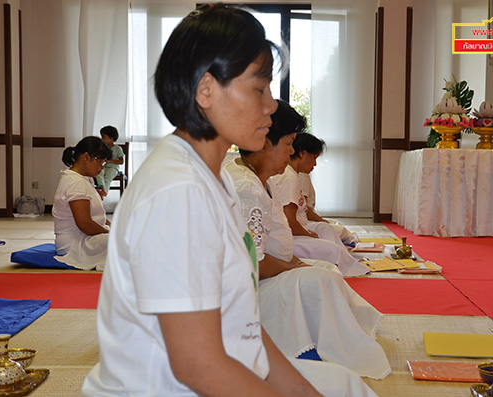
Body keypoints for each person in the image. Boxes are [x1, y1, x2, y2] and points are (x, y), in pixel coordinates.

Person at [82, 5, 376, 396]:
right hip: (164, 387)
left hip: (223, 367)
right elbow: (198, 367)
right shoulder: (177, 191)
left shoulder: (214, 175)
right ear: (206, 90)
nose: (271, 104)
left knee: (345, 384)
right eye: (259, 89)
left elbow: (245, 326)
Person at [226, 99, 391, 379]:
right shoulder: (246, 187)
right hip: (249, 293)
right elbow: (250, 264)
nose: (291, 152)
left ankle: (330, 339)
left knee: (326, 269)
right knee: (319, 277)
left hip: (267, 274)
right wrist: (294, 268)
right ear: (265, 143)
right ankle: (314, 346)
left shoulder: (261, 179)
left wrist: (296, 262)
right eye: (288, 144)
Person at [270, 132, 367, 277]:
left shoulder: (293, 175)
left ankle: (346, 259)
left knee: (325, 228)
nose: (315, 164)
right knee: (333, 250)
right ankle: (342, 261)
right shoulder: (289, 177)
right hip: (290, 237)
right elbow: (290, 221)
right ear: (302, 153)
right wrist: (308, 234)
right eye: (314, 158)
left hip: (298, 230)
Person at [52, 136, 112, 271]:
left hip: (86, 238)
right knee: (125, 243)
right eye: (101, 162)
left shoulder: (85, 179)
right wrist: (112, 235)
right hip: (75, 244)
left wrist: (112, 228)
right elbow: (84, 223)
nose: (102, 168)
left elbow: (97, 217)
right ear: (86, 157)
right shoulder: (75, 182)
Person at [299, 172, 358, 245]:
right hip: (303, 221)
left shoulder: (301, 175)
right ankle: (354, 244)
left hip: (306, 219)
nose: (315, 164)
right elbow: (304, 209)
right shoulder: (300, 176)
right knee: (343, 231)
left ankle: (352, 242)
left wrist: (322, 221)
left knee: (337, 224)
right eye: (313, 159)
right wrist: (321, 221)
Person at [95, 125, 124, 198]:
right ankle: (101, 187)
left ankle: (104, 193)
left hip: (113, 168)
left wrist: (110, 160)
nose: (102, 139)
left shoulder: (118, 148)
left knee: (107, 178)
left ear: (111, 138)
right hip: (105, 166)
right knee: (99, 173)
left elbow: (121, 161)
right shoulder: (104, 148)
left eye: (104, 137)